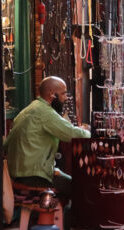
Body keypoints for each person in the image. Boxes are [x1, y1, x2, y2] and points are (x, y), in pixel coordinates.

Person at [5, 77, 91, 211]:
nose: (66, 98)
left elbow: (6, 146)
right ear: (52, 94)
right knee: (81, 188)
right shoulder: (45, 113)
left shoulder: (27, 110)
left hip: (18, 175)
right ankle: (66, 227)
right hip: (34, 176)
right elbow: (72, 134)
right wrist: (89, 132)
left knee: (69, 180)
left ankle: (62, 224)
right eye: (63, 93)